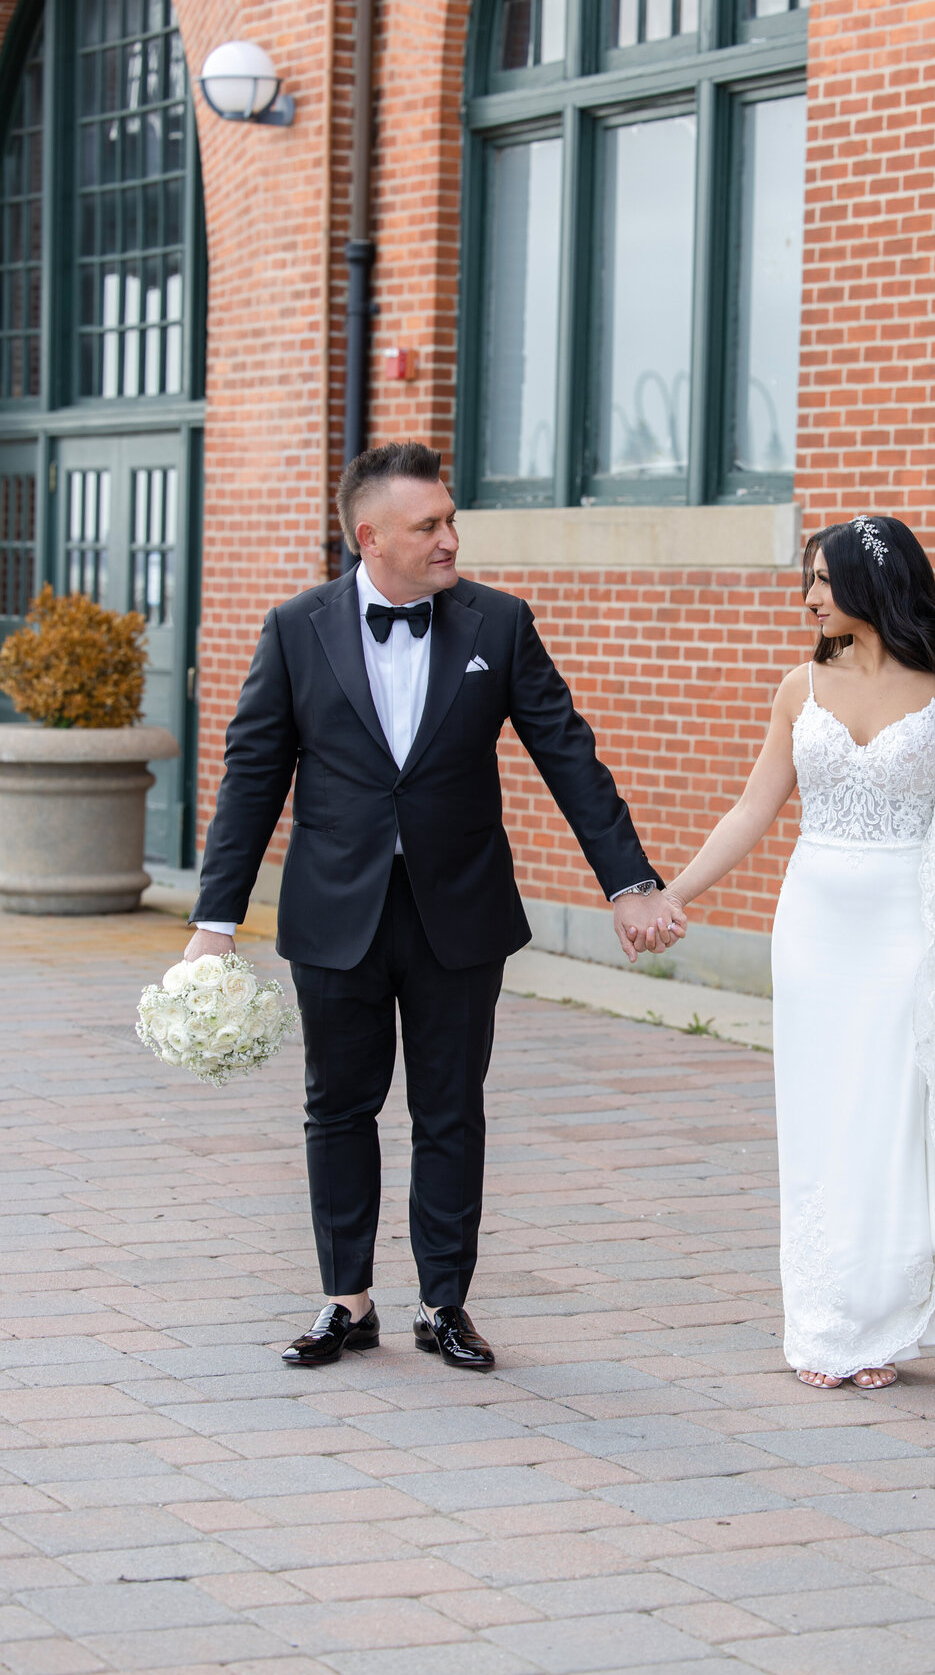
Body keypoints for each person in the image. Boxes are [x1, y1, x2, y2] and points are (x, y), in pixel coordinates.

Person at [182, 441, 685, 1370]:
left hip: (461, 911)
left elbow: (567, 752)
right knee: (338, 1108)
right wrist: (214, 926)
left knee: (451, 1109)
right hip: (337, 915)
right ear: (371, 537)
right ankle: (347, 1301)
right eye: (430, 525)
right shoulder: (297, 628)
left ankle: (444, 1302)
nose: (451, 537)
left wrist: (630, 882)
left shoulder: (499, 623)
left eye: (452, 519)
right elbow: (251, 776)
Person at [646, 516, 935, 1389]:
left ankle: (879, 1322)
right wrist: (673, 891)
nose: (810, 597)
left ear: (874, 585)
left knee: (888, 1121)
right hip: (815, 926)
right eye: (810, 580)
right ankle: (824, 1321)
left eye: (824, 581)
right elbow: (753, 810)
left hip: (907, 927)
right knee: (820, 1118)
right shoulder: (800, 688)